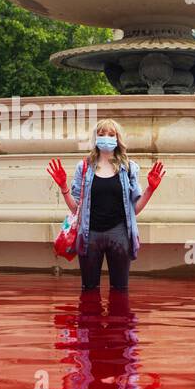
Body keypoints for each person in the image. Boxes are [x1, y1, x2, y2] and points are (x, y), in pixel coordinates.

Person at [47, 119, 164, 293]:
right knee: (89, 289)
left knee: (120, 289)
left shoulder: (129, 168)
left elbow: (134, 210)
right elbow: (76, 209)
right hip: (89, 235)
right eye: (101, 134)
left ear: (118, 139)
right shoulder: (84, 167)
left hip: (119, 235)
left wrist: (150, 189)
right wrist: (64, 186)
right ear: (95, 139)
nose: (106, 138)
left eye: (111, 134)